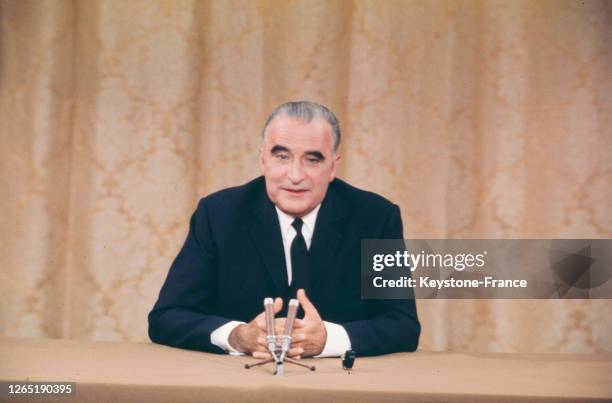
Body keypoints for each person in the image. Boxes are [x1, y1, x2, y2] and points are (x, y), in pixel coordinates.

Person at [148, 101, 420, 357]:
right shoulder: (219, 213)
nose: (295, 175)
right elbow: (167, 316)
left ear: (333, 167)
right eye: (282, 156)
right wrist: (237, 335)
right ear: (263, 160)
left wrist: (328, 339)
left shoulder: (375, 217)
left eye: (312, 160)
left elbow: (403, 325)